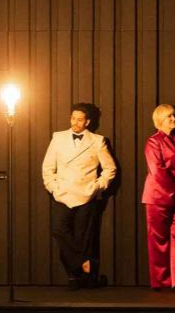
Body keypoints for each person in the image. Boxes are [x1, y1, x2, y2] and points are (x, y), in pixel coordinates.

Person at [41, 103, 117, 289]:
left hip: (86, 195)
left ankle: (76, 278)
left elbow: (110, 169)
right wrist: (53, 187)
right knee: (59, 230)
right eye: (73, 118)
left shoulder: (97, 141)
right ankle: (84, 265)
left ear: (87, 122)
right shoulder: (58, 138)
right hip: (62, 194)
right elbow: (47, 167)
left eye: (79, 119)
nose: (75, 122)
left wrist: (97, 186)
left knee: (83, 238)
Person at [141, 103, 175, 291]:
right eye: (169, 116)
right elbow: (158, 171)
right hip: (158, 197)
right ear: (160, 120)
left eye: (174, 115)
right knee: (159, 241)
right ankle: (161, 281)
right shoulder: (154, 141)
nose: (174, 119)